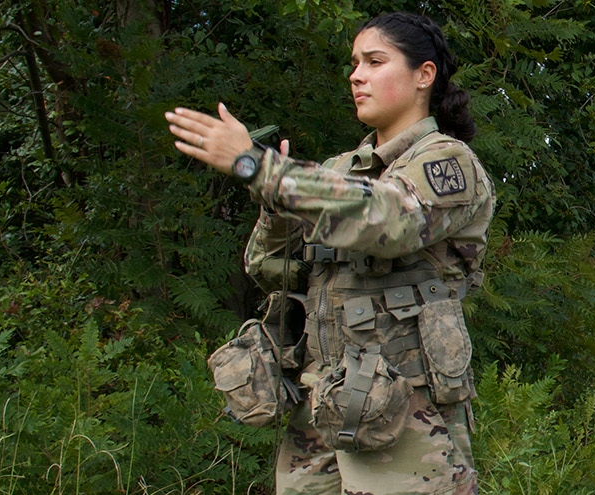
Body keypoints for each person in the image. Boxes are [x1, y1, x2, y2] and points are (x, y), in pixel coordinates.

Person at [165, 12, 492, 495]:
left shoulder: (447, 160)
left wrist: (264, 169)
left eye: (374, 61)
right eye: (354, 63)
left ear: (424, 75)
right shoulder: (339, 171)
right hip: (321, 404)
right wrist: (277, 202)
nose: (356, 75)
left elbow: (392, 220)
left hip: (405, 409)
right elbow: (269, 269)